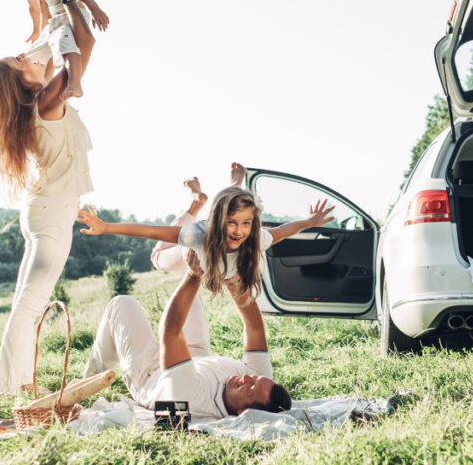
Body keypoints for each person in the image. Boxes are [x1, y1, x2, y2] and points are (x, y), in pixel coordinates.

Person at [0, 0, 97, 396]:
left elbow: (60, 46)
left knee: (27, 303)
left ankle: (21, 386)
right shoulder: (48, 101)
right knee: (30, 305)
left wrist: (48, 7)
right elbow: (82, 40)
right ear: (22, 82)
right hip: (51, 215)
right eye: (19, 61)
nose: (24, 55)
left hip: (45, 211)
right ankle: (15, 392)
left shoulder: (39, 101)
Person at [80, 250, 292, 418]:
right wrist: (234, 282)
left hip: (149, 372)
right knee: (192, 303)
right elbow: (254, 327)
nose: (247, 377)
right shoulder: (266, 384)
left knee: (122, 303)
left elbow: (170, 332)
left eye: (249, 388)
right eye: (254, 378)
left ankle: (84, 384)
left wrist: (193, 274)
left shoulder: (192, 400)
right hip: (195, 356)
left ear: (243, 413)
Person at [77, 184, 335, 300]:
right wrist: (106, 227)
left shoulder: (256, 238)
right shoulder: (197, 236)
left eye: (246, 223)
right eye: (232, 222)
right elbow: (151, 231)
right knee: (158, 258)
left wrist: (310, 221)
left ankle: (226, 188)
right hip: (189, 248)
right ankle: (194, 205)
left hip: (211, 250)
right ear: (220, 220)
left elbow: (283, 230)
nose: (239, 231)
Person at [149, 162, 245, 274]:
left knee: (157, 256)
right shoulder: (258, 239)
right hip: (221, 244)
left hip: (198, 247)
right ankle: (230, 193)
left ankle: (198, 204)